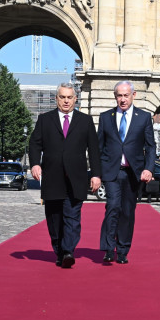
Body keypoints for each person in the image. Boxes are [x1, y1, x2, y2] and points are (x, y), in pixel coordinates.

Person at [29, 82, 101, 268]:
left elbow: (94, 150)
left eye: (70, 97)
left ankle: (68, 250)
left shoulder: (85, 121)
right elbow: (35, 144)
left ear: (75, 99)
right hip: (52, 178)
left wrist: (96, 175)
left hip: (76, 178)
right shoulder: (45, 120)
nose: (66, 101)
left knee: (72, 216)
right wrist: (35, 164)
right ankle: (59, 251)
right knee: (54, 219)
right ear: (56, 99)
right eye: (62, 97)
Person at [97, 81, 155, 264]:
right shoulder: (105, 117)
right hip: (112, 172)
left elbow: (150, 147)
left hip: (132, 173)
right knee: (113, 206)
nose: (123, 99)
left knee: (127, 212)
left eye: (126, 95)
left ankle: (122, 250)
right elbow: (99, 147)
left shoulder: (143, 117)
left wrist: (148, 168)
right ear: (115, 96)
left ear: (133, 95)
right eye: (119, 96)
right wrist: (97, 172)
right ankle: (108, 248)